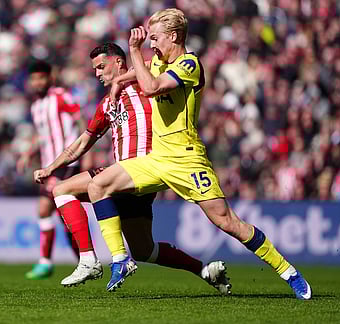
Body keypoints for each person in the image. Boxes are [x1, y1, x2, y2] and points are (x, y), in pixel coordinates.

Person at [86, 8, 312, 299]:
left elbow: (152, 86)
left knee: (227, 222)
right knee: (98, 185)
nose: (151, 45)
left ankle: (288, 272)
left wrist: (132, 50)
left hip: (187, 159)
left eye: (155, 38)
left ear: (174, 36)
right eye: (149, 39)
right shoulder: (157, 60)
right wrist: (119, 80)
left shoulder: (189, 64)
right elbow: (141, 72)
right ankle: (120, 260)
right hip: (156, 159)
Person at [33, 43, 231, 293]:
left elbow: (157, 67)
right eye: (94, 69)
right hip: (124, 179)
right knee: (144, 250)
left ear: (118, 63)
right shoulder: (107, 103)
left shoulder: (146, 85)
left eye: (101, 67)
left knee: (62, 190)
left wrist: (130, 69)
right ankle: (205, 270)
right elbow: (84, 142)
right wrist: (50, 167)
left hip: (143, 170)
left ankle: (88, 260)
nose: (97, 74)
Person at [18, 60, 86, 279]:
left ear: (50, 78)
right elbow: (43, 135)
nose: (37, 82)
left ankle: (78, 261)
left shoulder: (60, 96)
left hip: (67, 163)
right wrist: (28, 153)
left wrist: (88, 149)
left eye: (41, 77)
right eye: (34, 78)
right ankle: (55, 262)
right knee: (50, 212)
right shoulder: (36, 106)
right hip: (50, 167)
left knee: (53, 211)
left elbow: (80, 118)